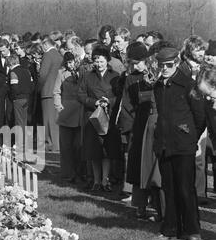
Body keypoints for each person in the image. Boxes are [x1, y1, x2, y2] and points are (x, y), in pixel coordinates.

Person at [153, 47, 206, 240]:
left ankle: (192, 229)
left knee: (185, 187)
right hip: (164, 144)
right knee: (169, 187)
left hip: (183, 144)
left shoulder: (188, 84)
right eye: (161, 65)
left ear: (176, 63)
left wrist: (190, 135)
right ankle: (170, 227)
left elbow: (200, 116)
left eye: (168, 65)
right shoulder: (158, 85)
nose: (164, 69)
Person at [122, 41, 164, 221]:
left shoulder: (158, 74)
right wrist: (129, 130)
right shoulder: (131, 78)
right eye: (132, 62)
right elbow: (127, 105)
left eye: (138, 61)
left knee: (156, 167)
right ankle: (140, 207)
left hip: (157, 123)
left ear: (146, 59)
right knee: (139, 166)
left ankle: (159, 206)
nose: (135, 65)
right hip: (139, 126)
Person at [78, 45, 121, 192]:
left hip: (108, 117)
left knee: (107, 151)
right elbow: (81, 95)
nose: (98, 64)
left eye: (101, 61)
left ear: (107, 61)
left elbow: (120, 96)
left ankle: (105, 180)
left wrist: (109, 101)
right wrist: (94, 102)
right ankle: (96, 180)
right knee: (94, 151)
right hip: (92, 117)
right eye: (96, 61)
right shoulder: (88, 76)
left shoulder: (115, 76)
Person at [179, 35, 209, 204]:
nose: (201, 52)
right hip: (186, 116)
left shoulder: (206, 68)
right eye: (198, 49)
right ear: (190, 50)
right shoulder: (181, 68)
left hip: (202, 116)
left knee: (200, 158)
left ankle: (199, 193)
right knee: (187, 156)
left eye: (202, 49)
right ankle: (186, 191)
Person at [53, 51, 85, 183]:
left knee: (79, 145)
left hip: (80, 111)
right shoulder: (61, 73)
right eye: (68, 62)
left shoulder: (83, 73)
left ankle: (80, 172)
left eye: (72, 62)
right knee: (66, 145)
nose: (70, 64)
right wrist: (59, 106)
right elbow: (56, 91)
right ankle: (67, 173)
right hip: (66, 111)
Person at [39, 37, 63, 152]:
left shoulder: (47, 55)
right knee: (55, 120)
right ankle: (56, 143)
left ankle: (50, 144)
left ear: (45, 45)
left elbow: (43, 74)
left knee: (48, 120)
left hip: (47, 90)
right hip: (57, 90)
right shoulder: (58, 55)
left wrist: (38, 88)